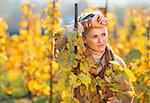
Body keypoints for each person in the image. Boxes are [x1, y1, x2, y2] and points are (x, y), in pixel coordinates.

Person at [56, 11, 133, 103]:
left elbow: (129, 94)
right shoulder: (74, 62)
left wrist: (117, 100)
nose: (101, 40)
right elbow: (58, 40)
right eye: (94, 36)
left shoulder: (117, 62)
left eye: (103, 34)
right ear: (84, 39)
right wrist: (86, 24)